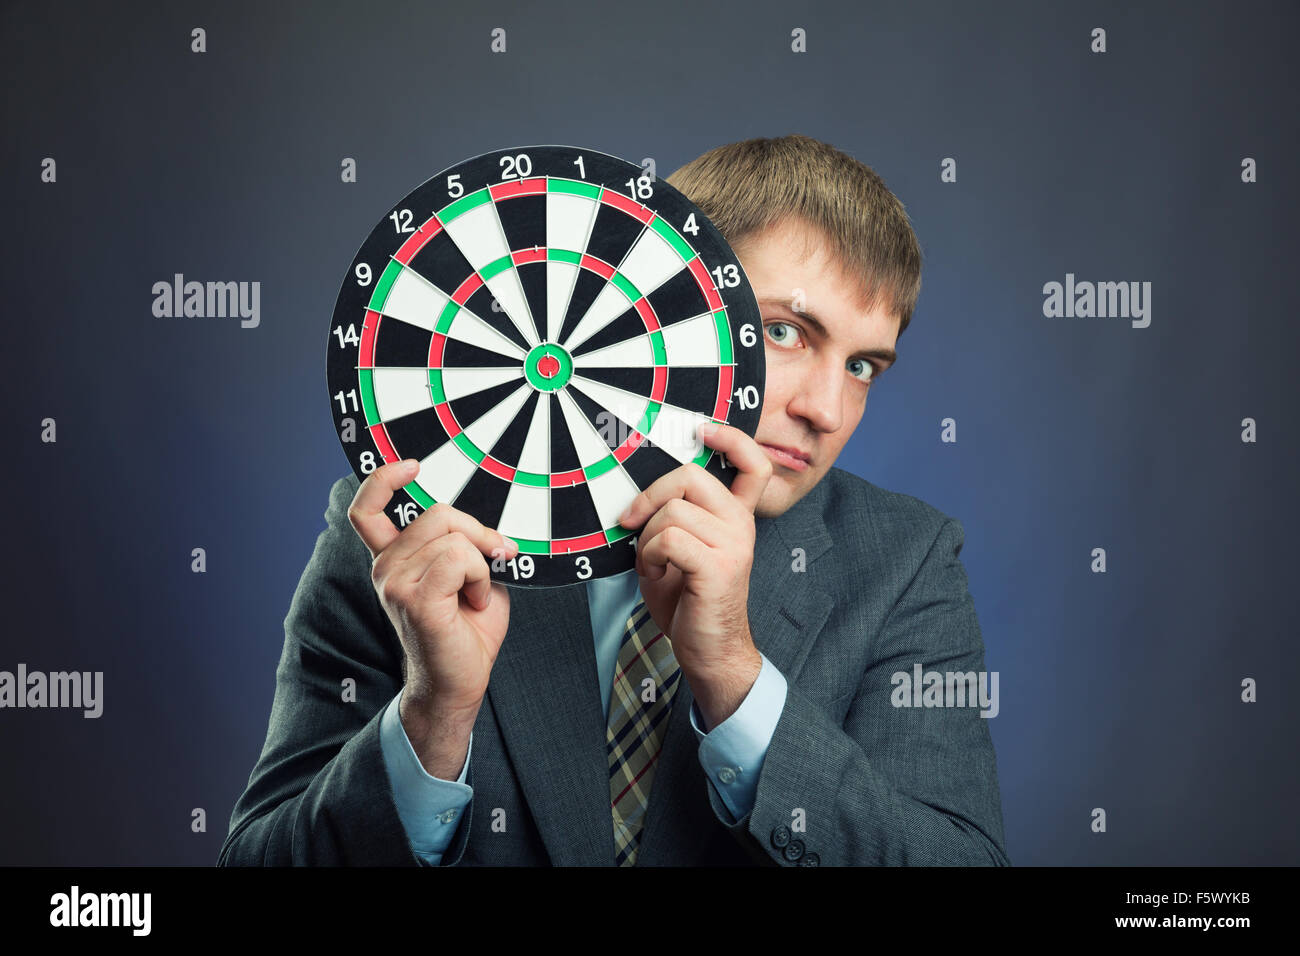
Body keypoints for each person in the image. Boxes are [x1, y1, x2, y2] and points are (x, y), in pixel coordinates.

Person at [219, 134, 1010, 867]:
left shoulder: (904, 559)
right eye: (785, 332)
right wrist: (433, 716)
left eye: (864, 366)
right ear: (652, 302)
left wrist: (733, 675)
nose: (827, 411)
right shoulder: (413, 533)